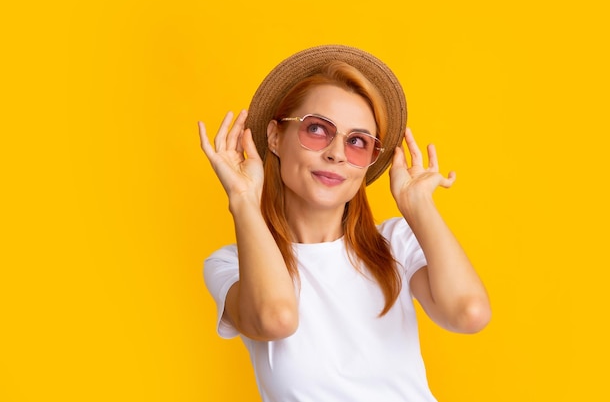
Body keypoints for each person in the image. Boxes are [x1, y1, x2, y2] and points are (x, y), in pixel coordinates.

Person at [198, 45, 491, 402]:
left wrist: (418, 205)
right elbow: (275, 318)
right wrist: (243, 200)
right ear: (275, 137)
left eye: (357, 141)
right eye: (318, 129)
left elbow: (469, 314)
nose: (336, 153)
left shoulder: (395, 243)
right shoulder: (233, 265)